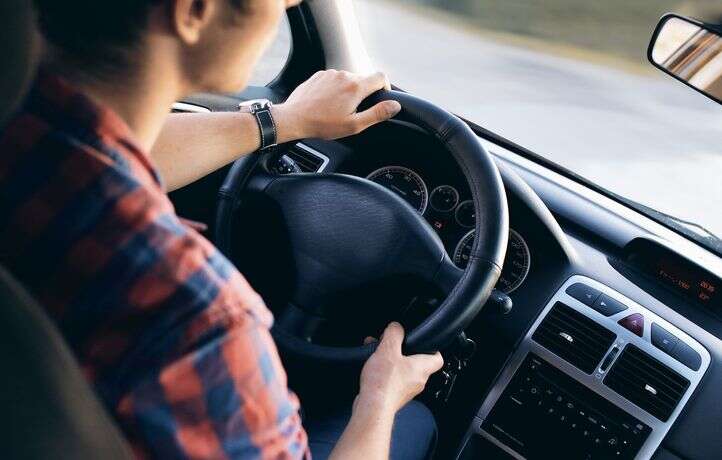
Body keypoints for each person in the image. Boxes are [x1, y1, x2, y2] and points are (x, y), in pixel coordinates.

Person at [0, 0, 444, 459]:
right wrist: (379, 399)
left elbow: (112, 151)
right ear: (192, 11)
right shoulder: (194, 317)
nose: (291, 3)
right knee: (413, 421)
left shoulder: (23, 129)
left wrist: (286, 121)